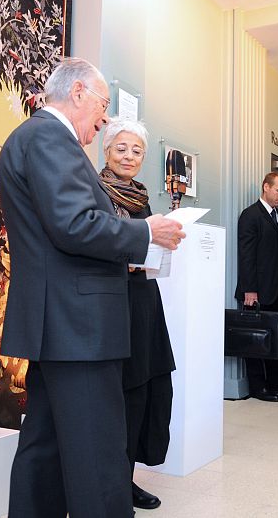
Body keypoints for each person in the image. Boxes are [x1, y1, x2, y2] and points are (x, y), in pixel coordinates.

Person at [0, 58, 184, 518]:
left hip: (59, 324)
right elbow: (75, 225)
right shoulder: (48, 137)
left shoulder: (33, 138)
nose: (104, 118)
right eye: (102, 105)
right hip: (78, 327)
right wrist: (146, 234)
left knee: (46, 449)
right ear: (77, 92)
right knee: (98, 457)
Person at [99, 119, 176, 509]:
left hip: (145, 299)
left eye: (136, 151)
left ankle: (126, 479)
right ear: (106, 150)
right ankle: (109, 486)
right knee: (120, 397)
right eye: (121, 148)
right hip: (114, 303)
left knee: (146, 393)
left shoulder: (141, 196)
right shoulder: (95, 191)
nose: (129, 156)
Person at [235, 172, 278, 402]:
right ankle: (258, 387)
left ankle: (276, 382)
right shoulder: (250, 215)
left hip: (276, 289)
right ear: (266, 187)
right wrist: (250, 290)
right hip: (256, 291)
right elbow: (246, 256)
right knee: (255, 340)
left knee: (275, 338)